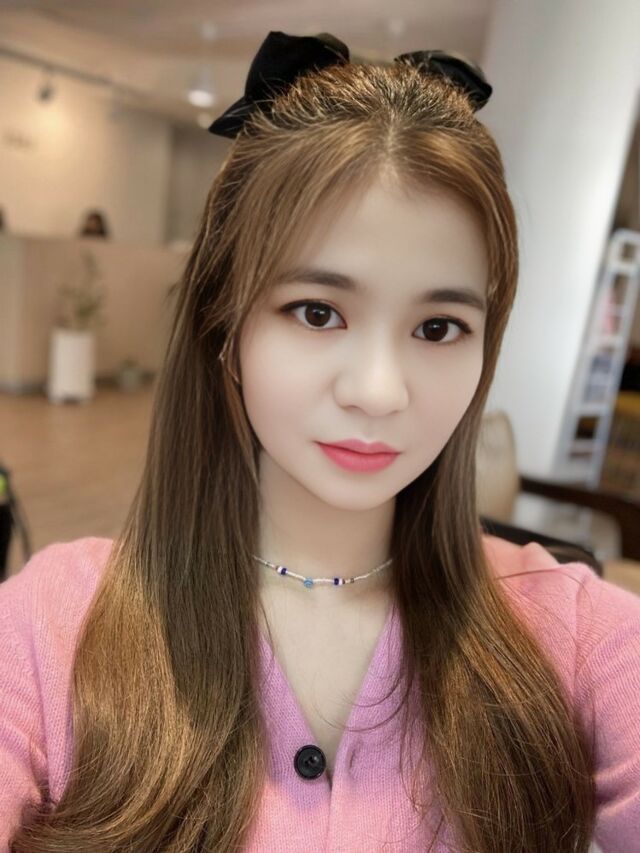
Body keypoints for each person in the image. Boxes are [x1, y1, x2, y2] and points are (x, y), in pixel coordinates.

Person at [1, 30, 638, 852]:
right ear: (225, 326)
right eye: (317, 312)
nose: (379, 390)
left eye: (438, 327)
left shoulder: (573, 630)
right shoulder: (52, 626)